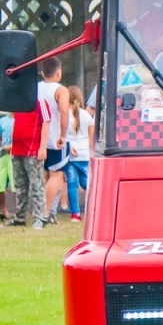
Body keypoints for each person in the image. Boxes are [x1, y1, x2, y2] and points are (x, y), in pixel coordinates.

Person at [38, 58, 70, 222]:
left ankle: (45, 211)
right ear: (58, 72)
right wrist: (63, 135)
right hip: (56, 137)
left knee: (45, 175)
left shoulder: (36, 88)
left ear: (42, 73)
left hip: (39, 139)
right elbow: (64, 111)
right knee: (56, 175)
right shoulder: (61, 90)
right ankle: (45, 212)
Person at [7, 97, 46, 229]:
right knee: (20, 185)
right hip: (17, 149)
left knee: (36, 184)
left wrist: (43, 147)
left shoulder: (39, 101)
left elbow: (46, 122)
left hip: (32, 150)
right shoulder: (19, 102)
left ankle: (40, 217)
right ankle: (20, 216)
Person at [63, 85, 94, 222]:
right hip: (85, 154)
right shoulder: (87, 115)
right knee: (88, 183)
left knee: (72, 184)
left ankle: (75, 214)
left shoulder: (64, 115)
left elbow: (62, 136)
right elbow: (91, 138)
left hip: (71, 155)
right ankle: (95, 208)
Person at [0, 112, 14, 222]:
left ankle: (19, 212)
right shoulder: (3, 121)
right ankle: (3, 210)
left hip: (15, 156)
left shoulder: (20, 120)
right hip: (3, 157)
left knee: (16, 186)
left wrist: (10, 147)